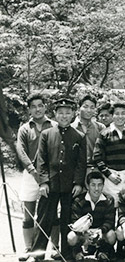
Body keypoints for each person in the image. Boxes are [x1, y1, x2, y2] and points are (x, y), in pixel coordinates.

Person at [29, 98, 86, 261]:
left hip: (69, 186)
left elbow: (81, 163)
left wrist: (78, 183)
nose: (64, 116)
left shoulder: (79, 136)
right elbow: (42, 161)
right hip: (50, 184)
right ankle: (37, 253)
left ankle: (66, 253)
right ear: (55, 114)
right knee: (44, 219)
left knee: (67, 221)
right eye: (60, 113)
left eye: (68, 113)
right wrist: (43, 182)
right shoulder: (47, 134)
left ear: (73, 114)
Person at [16, 94, 57, 261]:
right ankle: (28, 248)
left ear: (45, 106)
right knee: (28, 213)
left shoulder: (54, 125)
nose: (38, 109)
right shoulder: (25, 128)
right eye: (34, 106)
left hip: (51, 175)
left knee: (53, 213)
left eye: (41, 105)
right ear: (29, 110)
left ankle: (55, 247)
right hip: (30, 176)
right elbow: (21, 152)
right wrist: (34, 172)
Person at [93, 102, 125, 205]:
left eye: (123, 113)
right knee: (111, 208)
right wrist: (109, 174)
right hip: (110, 179)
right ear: (112, 115)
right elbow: (97, 157)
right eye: (117, 113)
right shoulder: (104, 134)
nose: (120, 116)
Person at [68, 171, 116, 261]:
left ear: (103, 185)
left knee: (111, 235)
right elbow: (75, 221)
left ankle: (102, 252)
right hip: (84, 232)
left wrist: (100, 231)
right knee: (71, 237)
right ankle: (78, 252)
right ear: (87, 186)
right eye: (93, 185)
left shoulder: (109, 199)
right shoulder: (78, 200)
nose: (97, 188)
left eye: (100, 185)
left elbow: (110, 221)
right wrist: (85, 233)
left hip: (100, 232)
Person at [71, 95, 106, 175]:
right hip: (75, 170)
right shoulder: (71, 128)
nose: (89, 110)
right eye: (85, 106)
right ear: (79, 108)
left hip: (96, 170)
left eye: (92, 107)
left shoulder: (100, 128)